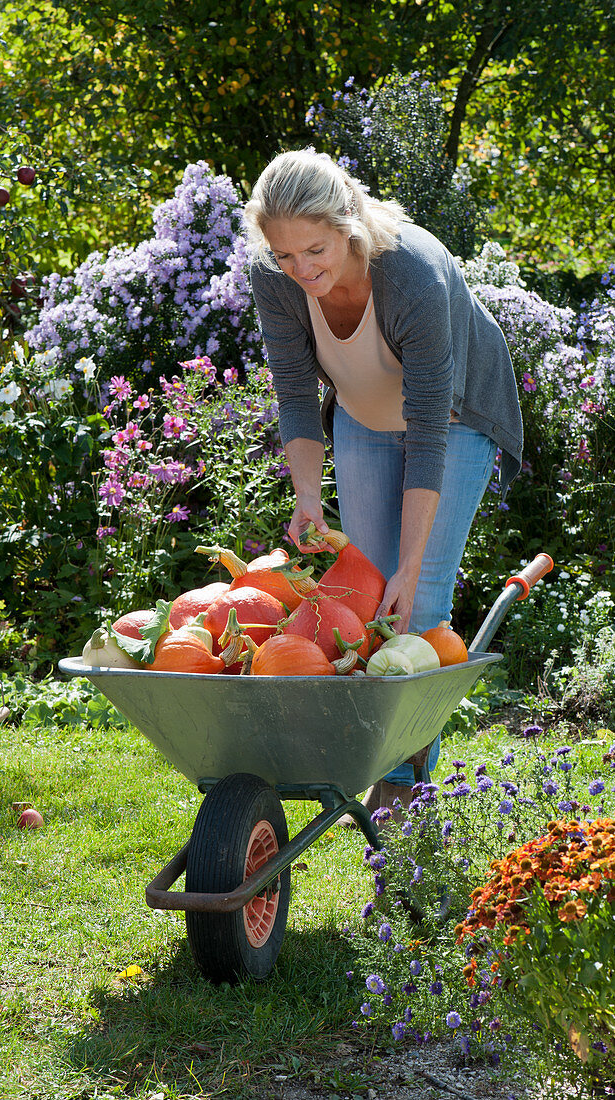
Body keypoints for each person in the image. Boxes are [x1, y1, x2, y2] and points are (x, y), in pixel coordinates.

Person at [243, 148, 523, 819]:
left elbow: (428, 432)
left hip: (454, 418)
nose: (302, 271)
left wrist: (414, 563)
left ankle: (401, 783)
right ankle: (386, 761)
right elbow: (295, 391)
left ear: (350, 223)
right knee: (367, 597)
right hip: (365, 418)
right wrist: (308, 495)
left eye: (315, 250)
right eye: (285, 257)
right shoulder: (275, 278)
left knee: (415, 595)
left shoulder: (413, 276)